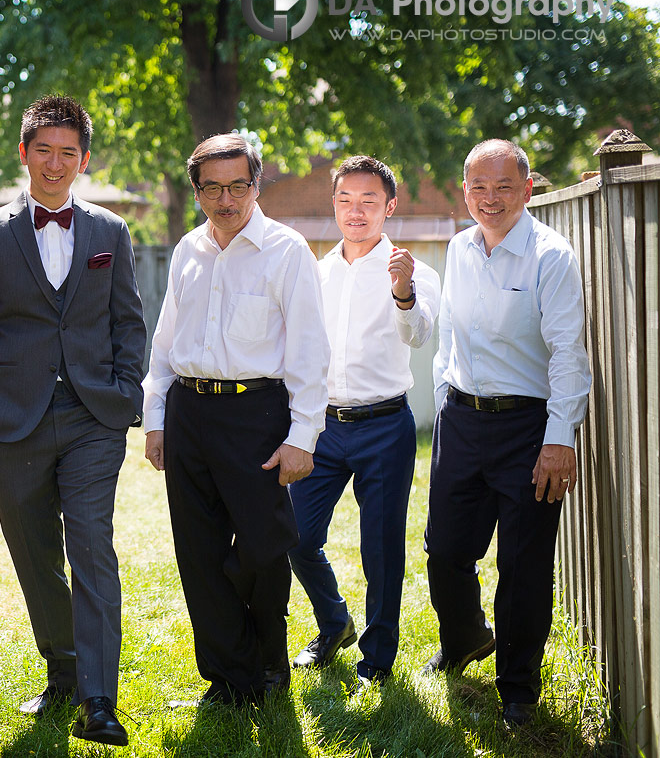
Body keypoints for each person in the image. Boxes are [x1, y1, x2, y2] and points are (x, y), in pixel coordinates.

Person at [0, 95, 145, 746]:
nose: (55, 163)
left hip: (93, 417)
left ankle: (98, 699)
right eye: (44, 150)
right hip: (13, 424)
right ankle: (61, 670)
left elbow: (128, 323)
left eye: (68, 152)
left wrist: (121, 393)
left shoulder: (110, 232)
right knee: (36, 558)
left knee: (91, 548)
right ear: (24, 152)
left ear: (82, 159)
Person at [143, 134, 328, 706]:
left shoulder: (287, 249)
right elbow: (166, 340)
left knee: (264, 547)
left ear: (256, 183)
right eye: (213, 188)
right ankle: (230, 676)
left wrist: (303, 436)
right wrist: (156, 419)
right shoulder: (186, 251)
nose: (227, 200)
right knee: (198, 554)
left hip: (257, 415)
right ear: (197, 190)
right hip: (190, 412)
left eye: (238, 185)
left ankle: (269, 656)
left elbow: (310, 352)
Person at [426, 139, 591, 726]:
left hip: (528, 426)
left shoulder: (551, 255)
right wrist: (446, 397)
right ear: (464, 189)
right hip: (462, 422)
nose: (489, 199)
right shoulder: (458, 248)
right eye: (478, 187)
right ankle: (467, 636)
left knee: (523, 565)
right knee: (445, 550)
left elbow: (569, 352)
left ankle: (518, 689)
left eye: (502, 187)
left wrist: (558, 437)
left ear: (526, 188)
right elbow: (448, 334)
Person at [286, 156, 441, 687]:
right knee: (296, 536)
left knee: (380, 548)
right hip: (322, 427)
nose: (356, 211)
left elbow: (418, 335)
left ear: (389, 207)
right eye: (346, 200)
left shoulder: (415, 271)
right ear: (334, 205)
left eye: (368, 200)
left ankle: (376, 658)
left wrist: (403, 292)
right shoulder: (315, 271)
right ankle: (335, 623)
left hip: (384, 426)